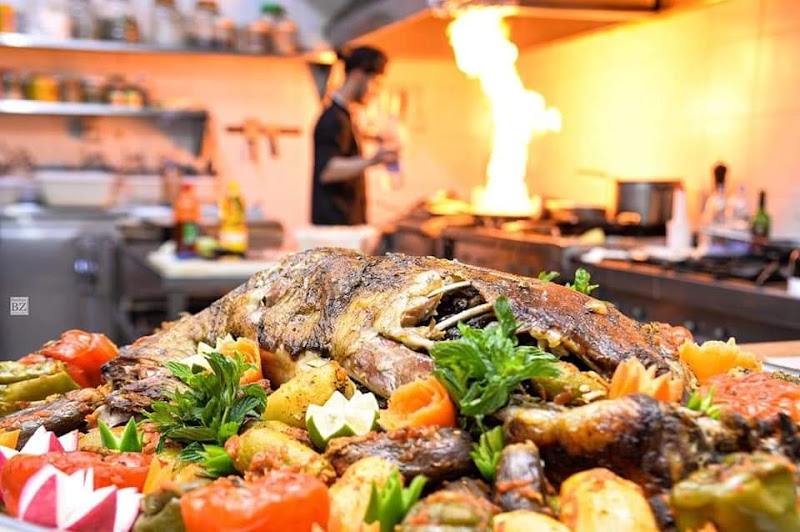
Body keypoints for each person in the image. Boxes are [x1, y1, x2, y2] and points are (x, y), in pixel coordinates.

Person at [311, 46, 397, 226]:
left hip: (344, 228)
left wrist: (371, 137)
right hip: (335, 230)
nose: (375, 91)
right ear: (357, 75)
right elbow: (327, 170)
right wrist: (373, 160)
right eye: (375, 83)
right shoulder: (333, 119)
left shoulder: (343, 116)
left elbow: (340, 146)